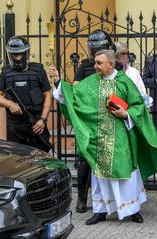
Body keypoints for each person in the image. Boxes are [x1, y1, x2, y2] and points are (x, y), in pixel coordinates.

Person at [53, 49, 157, 225]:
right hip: (99, 138)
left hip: (121, 138)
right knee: (100, 175)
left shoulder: (125, 82)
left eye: (99, 63)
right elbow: (73, 96)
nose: (95, 66)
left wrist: (126, 114)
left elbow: (139, 106)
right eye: (95, 62)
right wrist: (59, 81)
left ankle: (132, 209)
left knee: (126, 173)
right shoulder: (90, 82)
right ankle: (101, 210)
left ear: (111, 64)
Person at [51, 30, 122, 214]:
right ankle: (82, 199)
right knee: (84, 160)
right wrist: (59, 82)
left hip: (111, 119)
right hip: (88, 120)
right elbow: (76, 90)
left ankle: (115, 200)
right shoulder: (84, 67)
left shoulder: (118, 67)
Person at [0, 36, 52, 152]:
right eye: (15, 54)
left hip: (36, 120)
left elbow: (48, 95)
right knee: (16, 156)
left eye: (20, 54)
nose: (18, 57)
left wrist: (43, 120)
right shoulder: (6, 72)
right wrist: (10, 104)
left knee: (40, 155)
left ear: (26, 52)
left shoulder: (38, 70)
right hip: (15, 123)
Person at [114, 41, 152, 108]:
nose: (128, 56)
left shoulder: (134, 72)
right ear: (116, 55)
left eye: (128, 53)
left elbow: (142, 93)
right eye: (125, 53)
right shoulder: (109, 72)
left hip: (133, 111)